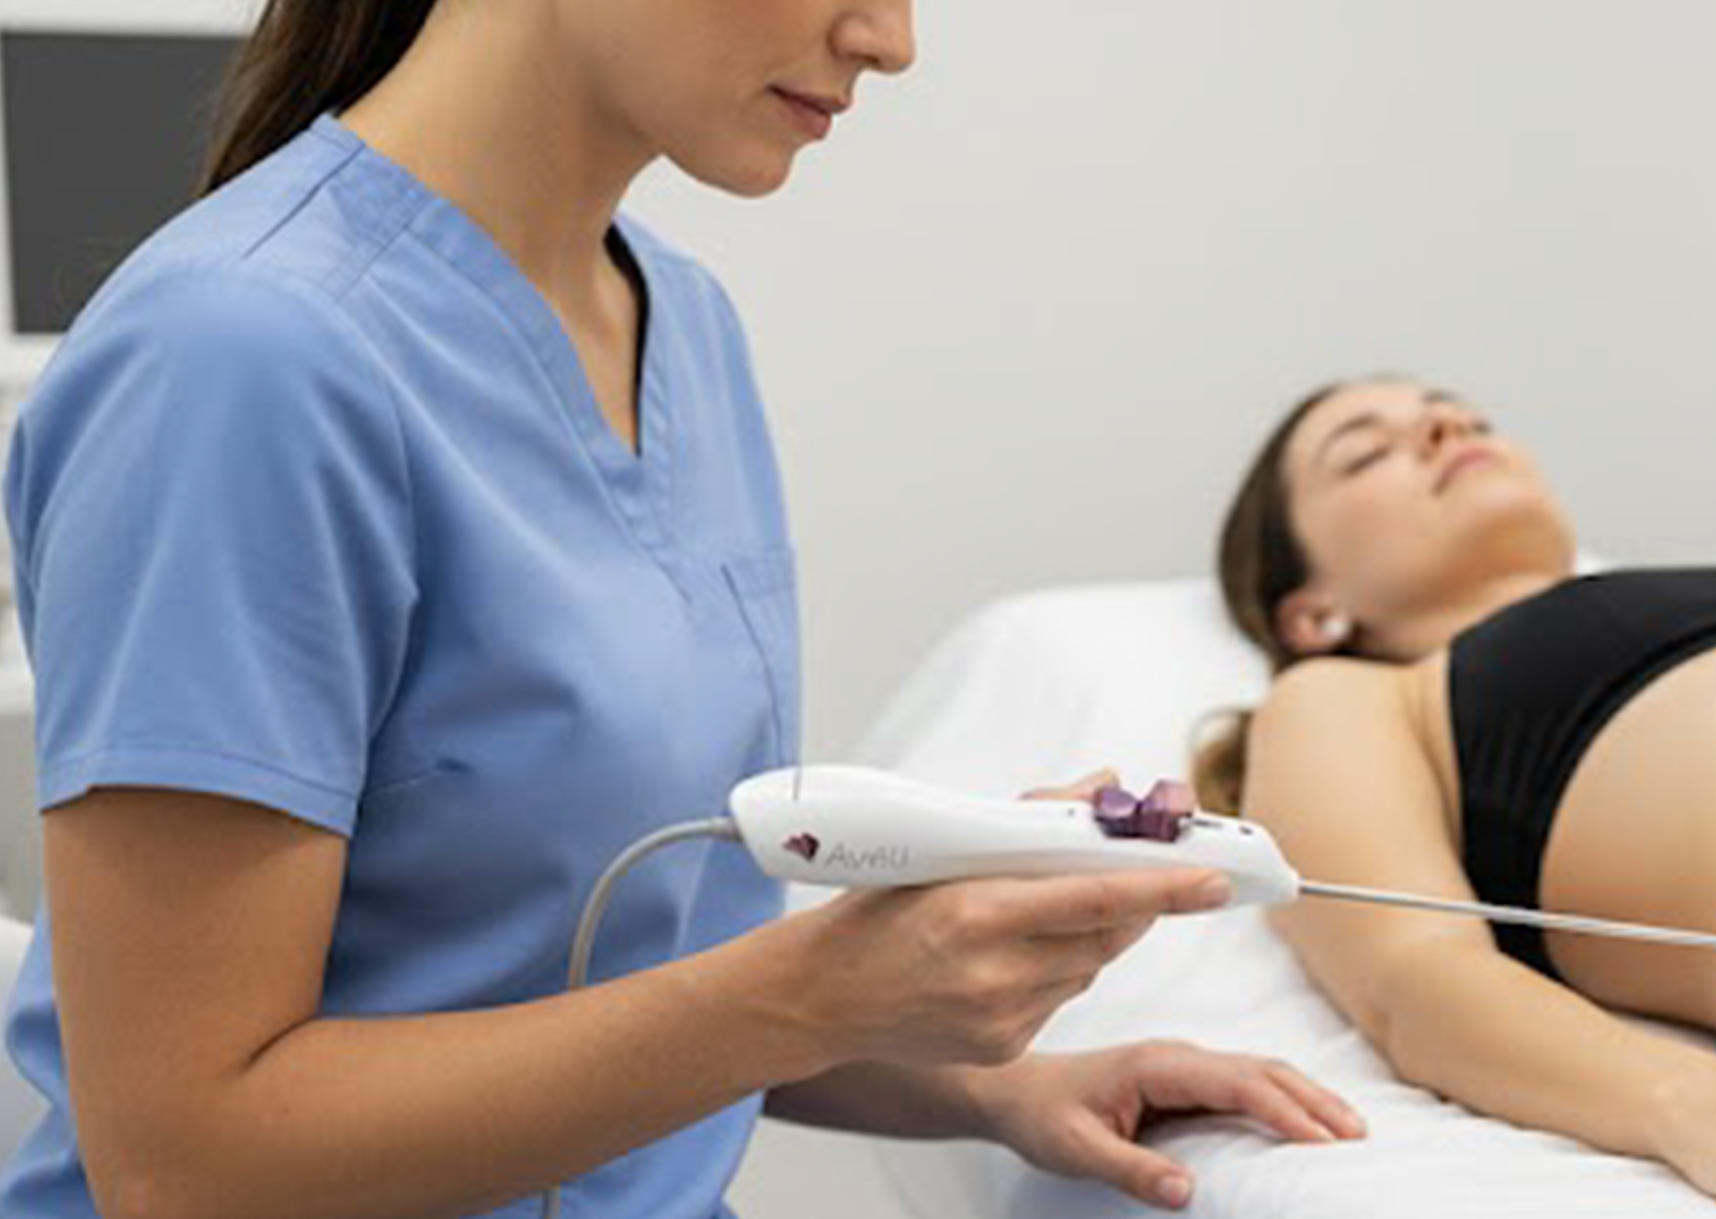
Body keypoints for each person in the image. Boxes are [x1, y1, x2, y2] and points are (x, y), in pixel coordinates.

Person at [0, 3, 1369, 1218]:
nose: (892, 40)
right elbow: (187, 1162)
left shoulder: (682, 323)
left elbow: (618, 974)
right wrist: (818, 987)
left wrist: (978, 1075)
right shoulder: (241, 360)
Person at [1192, 374, 1716, 1219]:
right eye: (1367, 452)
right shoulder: (1351, 696)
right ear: (1311, 612)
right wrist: (1698, 1105)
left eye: (1457, 414)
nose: (1441, 425)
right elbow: (1414, 975)